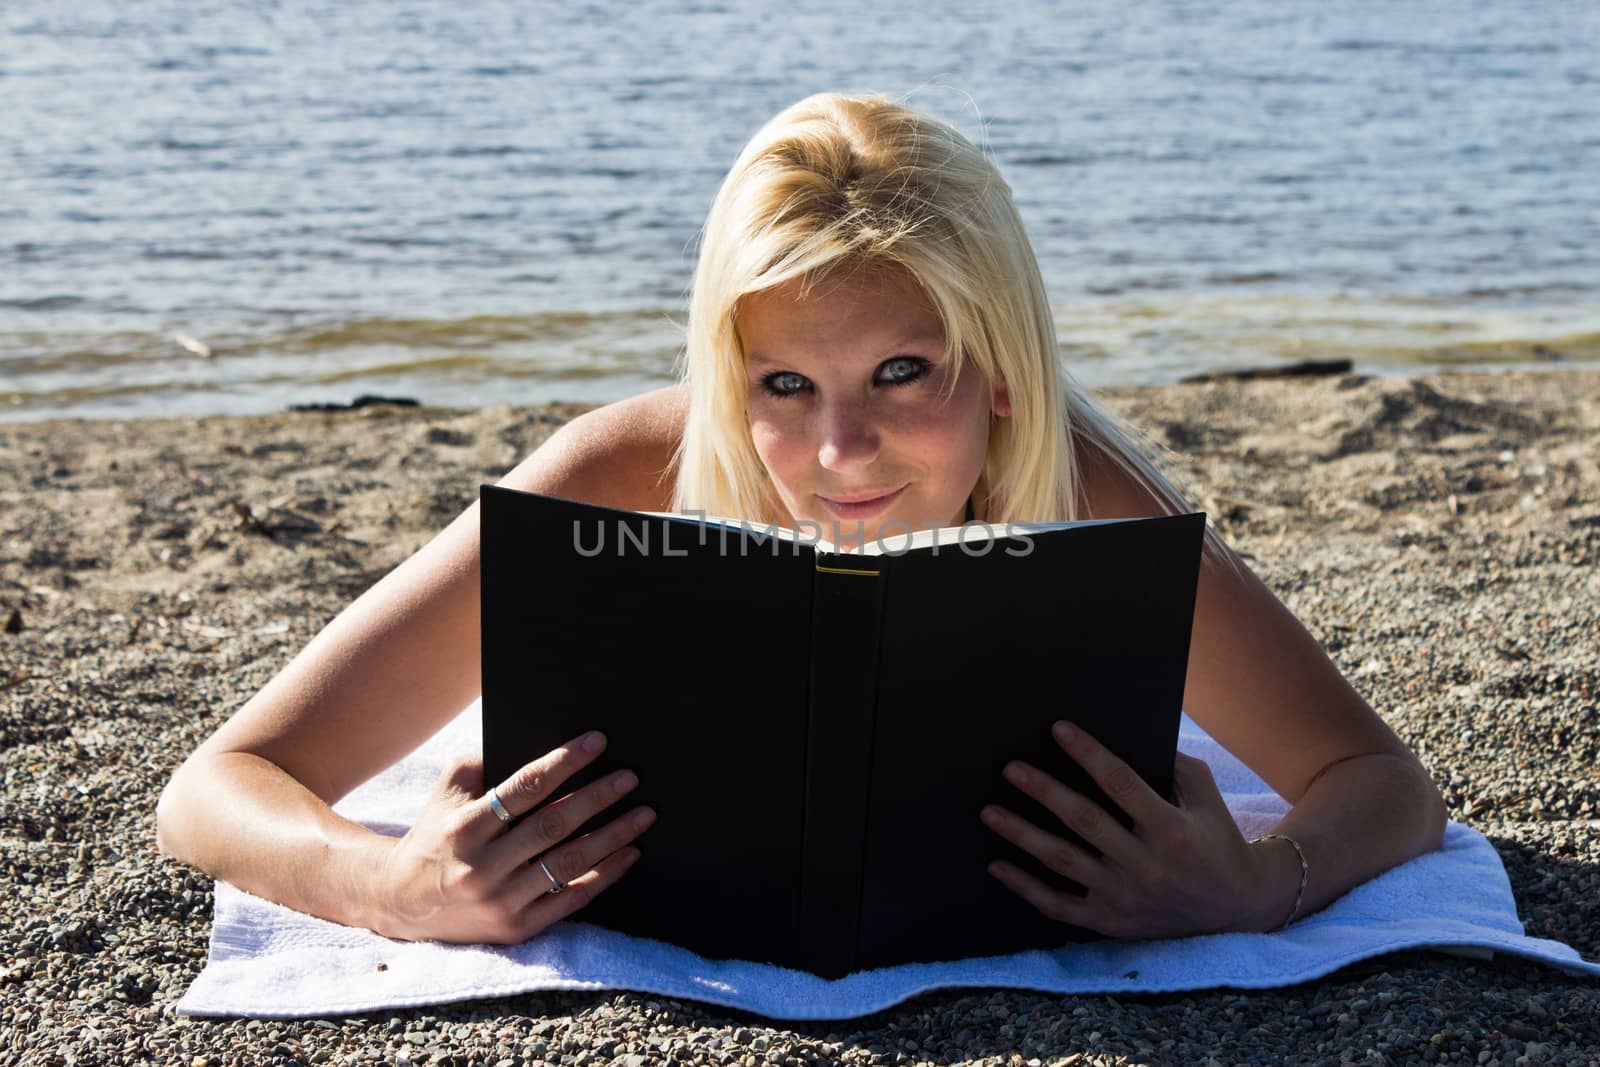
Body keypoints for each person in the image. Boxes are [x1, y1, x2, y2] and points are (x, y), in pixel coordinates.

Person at [156, 92, 1447, 948]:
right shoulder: (615, 474)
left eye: (903, 373)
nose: (841, 453)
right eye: (783, 386)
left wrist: (1257, 892)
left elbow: (1382, 785)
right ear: (726, 377)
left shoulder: (1084, 494)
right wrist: (387, 884)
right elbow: (217, 792)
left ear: (1003, 368)